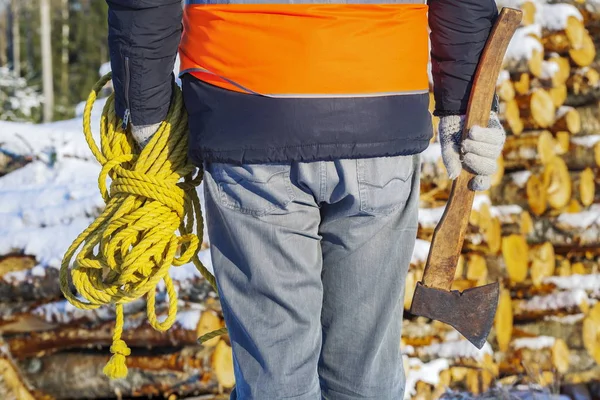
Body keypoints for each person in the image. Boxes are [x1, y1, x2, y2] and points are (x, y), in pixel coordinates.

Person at [105, 0, 505, 398]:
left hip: (246, 114)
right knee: (365, 372)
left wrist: (145, 110)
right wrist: (469, 108)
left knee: (277, 375)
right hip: (379, 110)